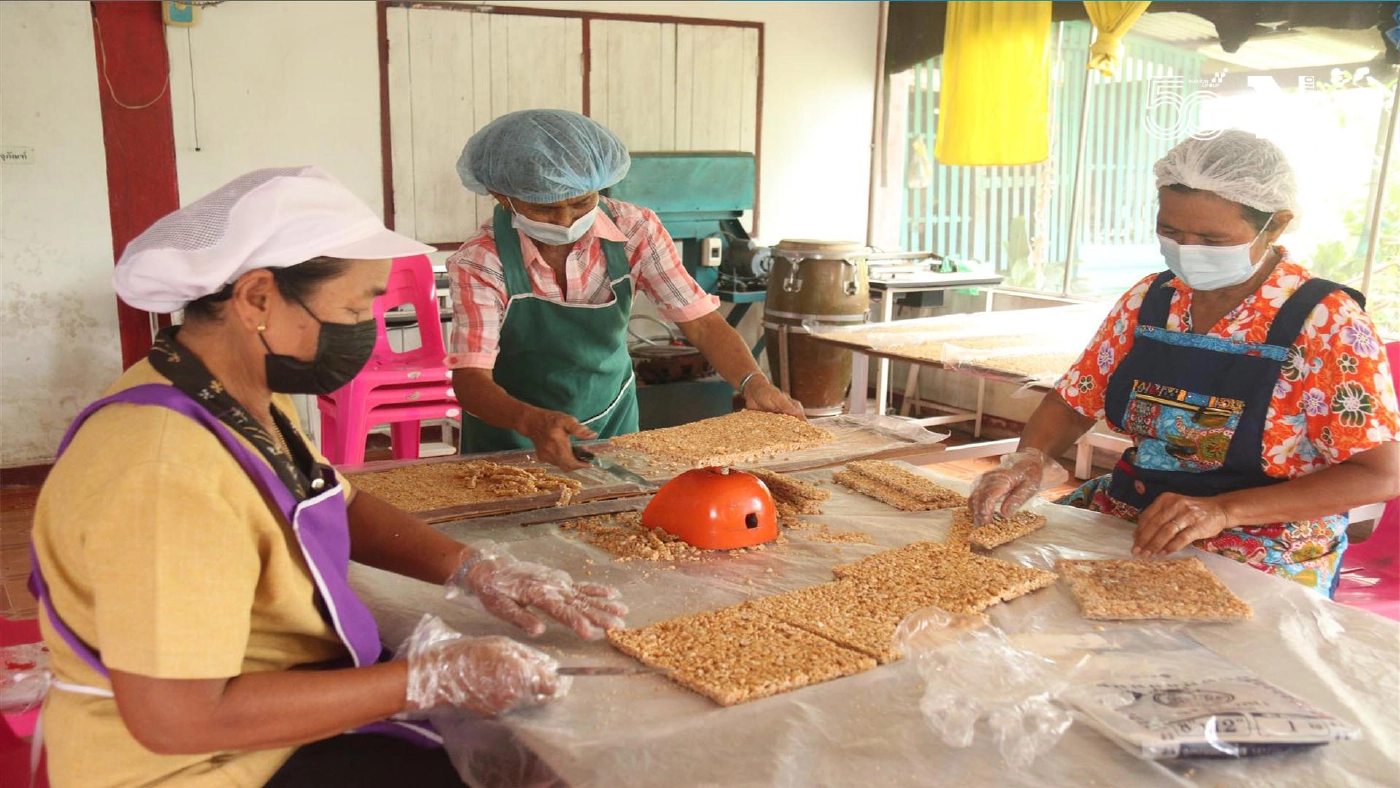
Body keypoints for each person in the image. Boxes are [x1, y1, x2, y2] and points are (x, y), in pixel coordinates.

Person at [30, 167, 628, 787]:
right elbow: (176, 720)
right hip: (200, 766)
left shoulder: (231, 392)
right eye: (353, 306)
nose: (366, 331)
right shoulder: (164, 472)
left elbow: (333, 502)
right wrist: (424, 678)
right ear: (258, 298)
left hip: (271, 711)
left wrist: (475, 568)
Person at [969, 130, 1400, 597]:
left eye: (1212, 239)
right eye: (1171, 232)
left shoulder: (1327, 322)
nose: (1187, 250)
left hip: (1265, 539)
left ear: (1274, 226)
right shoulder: (1152, 300)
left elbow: (1381, 473)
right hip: (1136, 511)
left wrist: (1224, 510)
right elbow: (1073, 402)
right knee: (999, 583)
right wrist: (1030, 459)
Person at [447, 109, 804, 469]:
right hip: (510, 431)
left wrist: (752, 382)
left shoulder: (635, 230)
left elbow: (701, 322)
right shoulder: (481, 260)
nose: (566, 220)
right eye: (544, 209)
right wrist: (528, 421)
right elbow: (470, 379)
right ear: (501, 196)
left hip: (612, 419)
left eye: (581, 202)